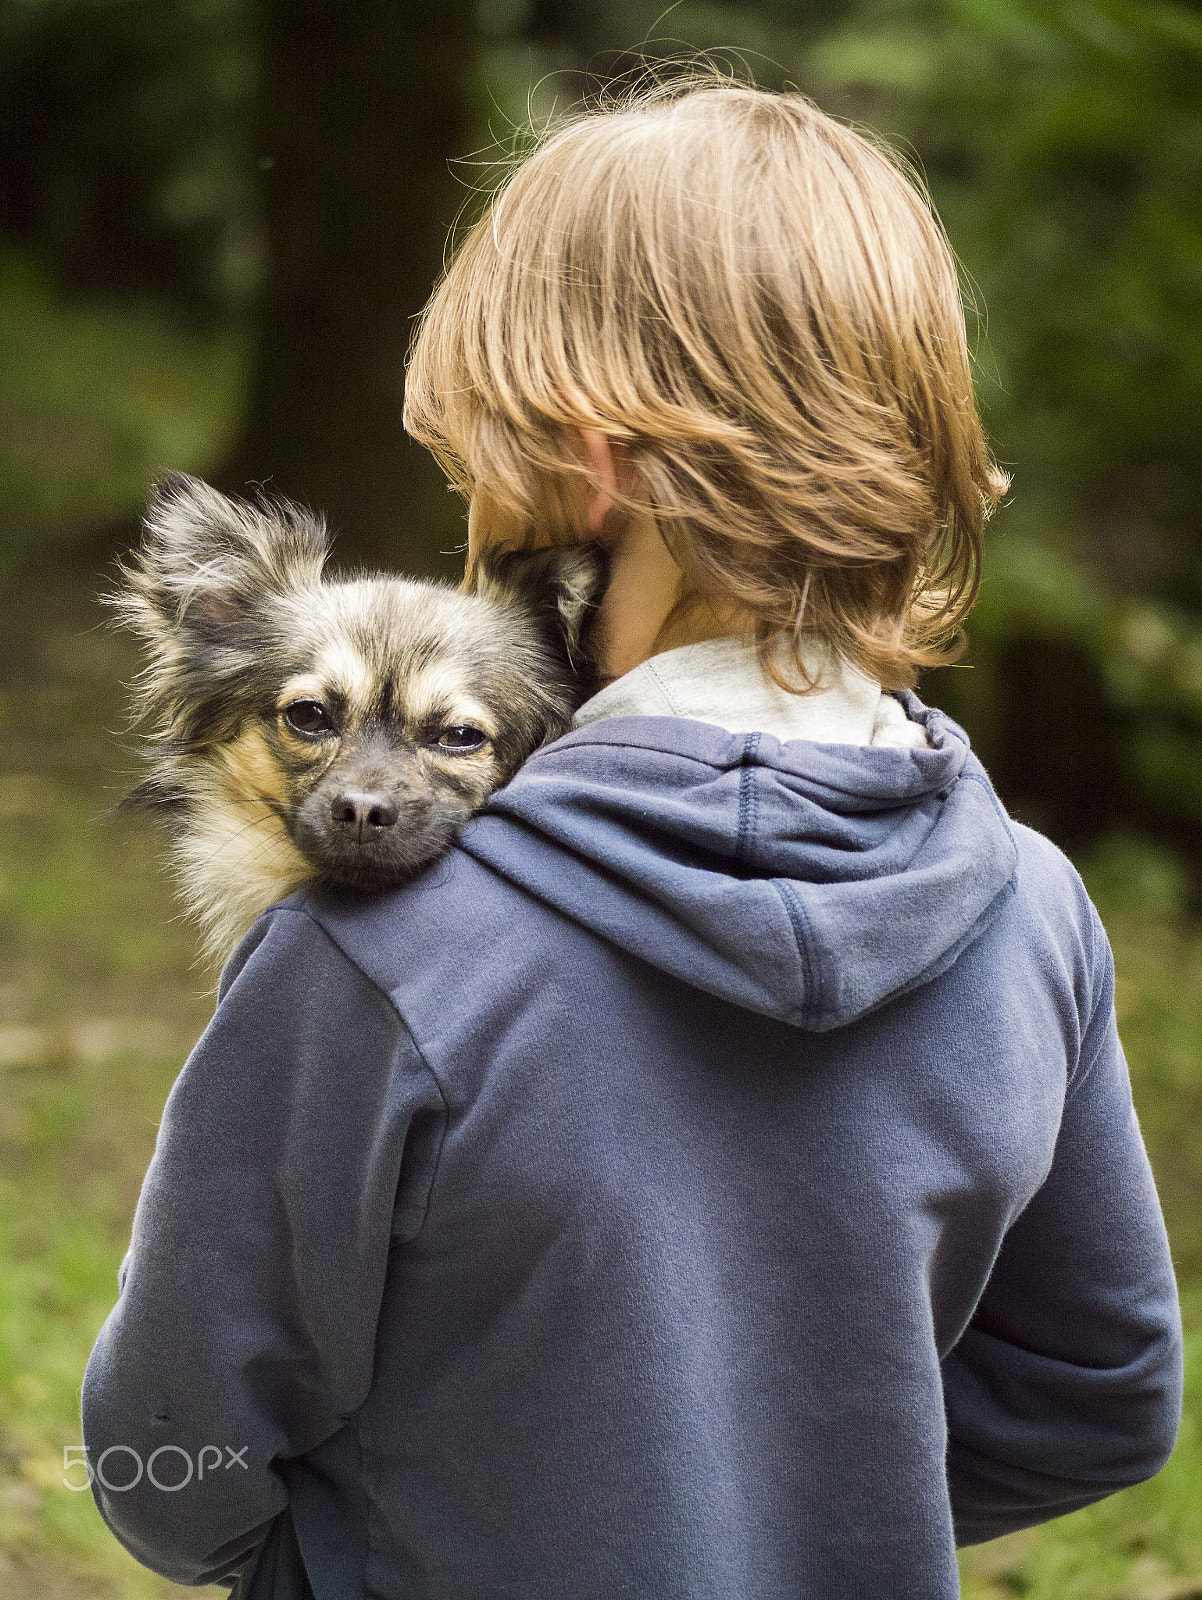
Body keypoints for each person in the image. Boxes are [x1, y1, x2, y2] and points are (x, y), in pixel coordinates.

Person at [82, 79, 1182, 1600]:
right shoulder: (1036, 912)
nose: (467, 516)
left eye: (470, 467)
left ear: (585, 470)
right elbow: (1095, 1405)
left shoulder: (377, 949)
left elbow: (168, 1448)